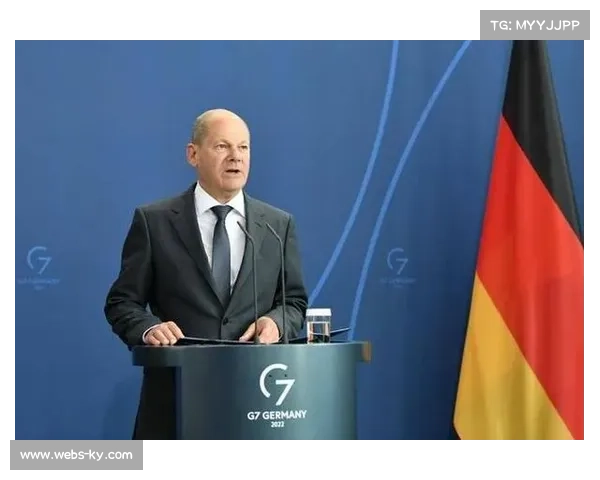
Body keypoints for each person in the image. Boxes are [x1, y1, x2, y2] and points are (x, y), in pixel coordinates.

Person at [104, 108, 308, 439]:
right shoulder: (154, 222)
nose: (235, 157)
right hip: (176, 403)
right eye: (222, 146)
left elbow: (294, 302)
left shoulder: (277, 225)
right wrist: (149, 328)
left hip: (256, 403)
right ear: (193, 154)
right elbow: (121, 302)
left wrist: (276, 323)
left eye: (243, 147)